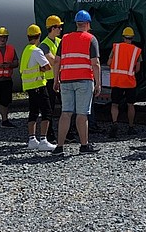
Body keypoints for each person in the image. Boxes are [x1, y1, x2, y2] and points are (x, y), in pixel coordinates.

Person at [52, 10, 101, 156]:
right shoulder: (91, 39)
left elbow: (57, 61)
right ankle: (84, 145)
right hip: (84, 80)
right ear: (87, 24)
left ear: (76, 23)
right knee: (82, 114)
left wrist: (56, 79)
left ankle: (59, 147)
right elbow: (95, 63)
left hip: (66, 80)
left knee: (66, 113)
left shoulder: (65, 38)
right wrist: (98, 83)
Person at [20, 24, 56, 151]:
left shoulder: (26, 50)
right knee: (47, 112)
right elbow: (47, 66)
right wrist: (41, 68)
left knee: (33, 112)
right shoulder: (36, 50)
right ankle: (44, 140)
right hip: (39, 85)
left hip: (29, 86)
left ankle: (32, 139)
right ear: (39, 36)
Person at [107, 27, 142, 137]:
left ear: (123, 37)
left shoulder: (115, 48)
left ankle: (114, 123)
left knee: (114, 104)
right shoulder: (137, 51)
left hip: (117, 80)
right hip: (129, 81)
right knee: (130, 105)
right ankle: (131, 127)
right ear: (132, 38)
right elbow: (138, 69)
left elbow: (108, 62)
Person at [40, 15, 63, 143]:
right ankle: (49, 134)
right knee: (49, 109)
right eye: (59, 27)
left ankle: (68, 133)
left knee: (66, 107)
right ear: (52, 28)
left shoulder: (60, 41)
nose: (60, 29)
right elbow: (54, 61)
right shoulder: (44, 45)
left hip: (60, 78)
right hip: (49, 81)